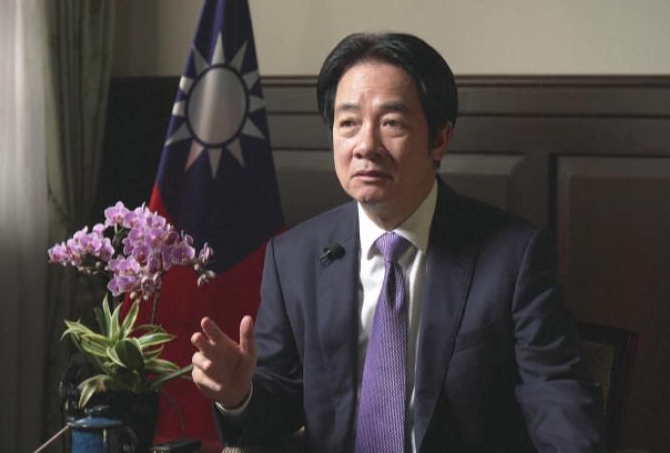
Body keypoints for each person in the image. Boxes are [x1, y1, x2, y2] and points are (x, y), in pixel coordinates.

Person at [190, 32, 606, 452]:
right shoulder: (293, 257)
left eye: (391, 123)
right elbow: (276, 409)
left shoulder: (514, 256)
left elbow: (558, 399)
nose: (366, 146)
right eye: (348, 123)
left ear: (439, 139)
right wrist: (238, 396)